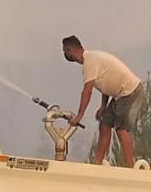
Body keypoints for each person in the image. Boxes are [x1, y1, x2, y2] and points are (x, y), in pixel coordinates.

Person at [61, 35, 146, 166]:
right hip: (119, 95)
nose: (65, 54)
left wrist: (79, 117)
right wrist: (103, 106)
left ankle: (131, 166)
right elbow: (105, 83)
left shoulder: (89, 62)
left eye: (65, 51)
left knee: (121, 129)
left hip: (130, 91)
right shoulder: (91, 59)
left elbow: (87, 92)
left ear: (69, 50)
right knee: (104, 125)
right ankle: (98, 163)